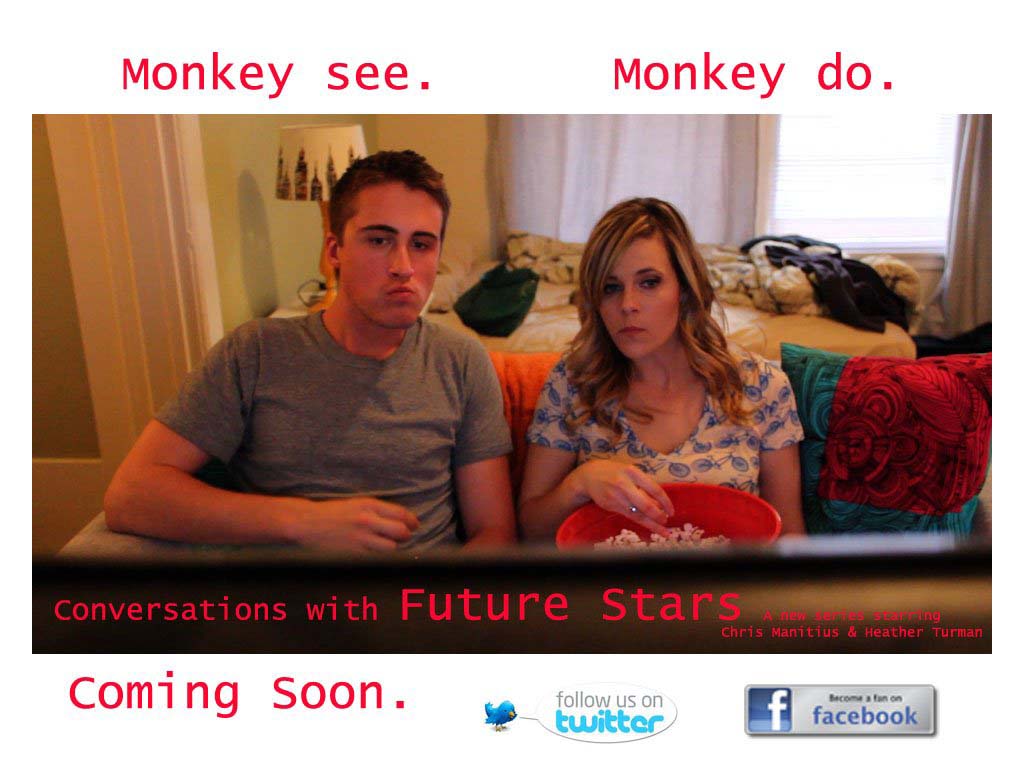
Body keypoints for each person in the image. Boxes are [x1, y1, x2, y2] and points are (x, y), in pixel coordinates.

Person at [104, 150, 516, 552]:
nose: (403, 266)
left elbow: (494, 531)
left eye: (422, 244)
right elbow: (129, 496)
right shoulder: (255, 353)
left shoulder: (461, 361)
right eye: (379, 240)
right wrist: (303, 522)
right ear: (334, 250)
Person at [517, 198, 805, 539]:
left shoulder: (762, 384)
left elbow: (789, 534)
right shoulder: (572, 382)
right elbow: (531, 528)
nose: (628, 305)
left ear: (685, 288)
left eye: (649, 282)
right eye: (611, 287)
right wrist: (578, 484)